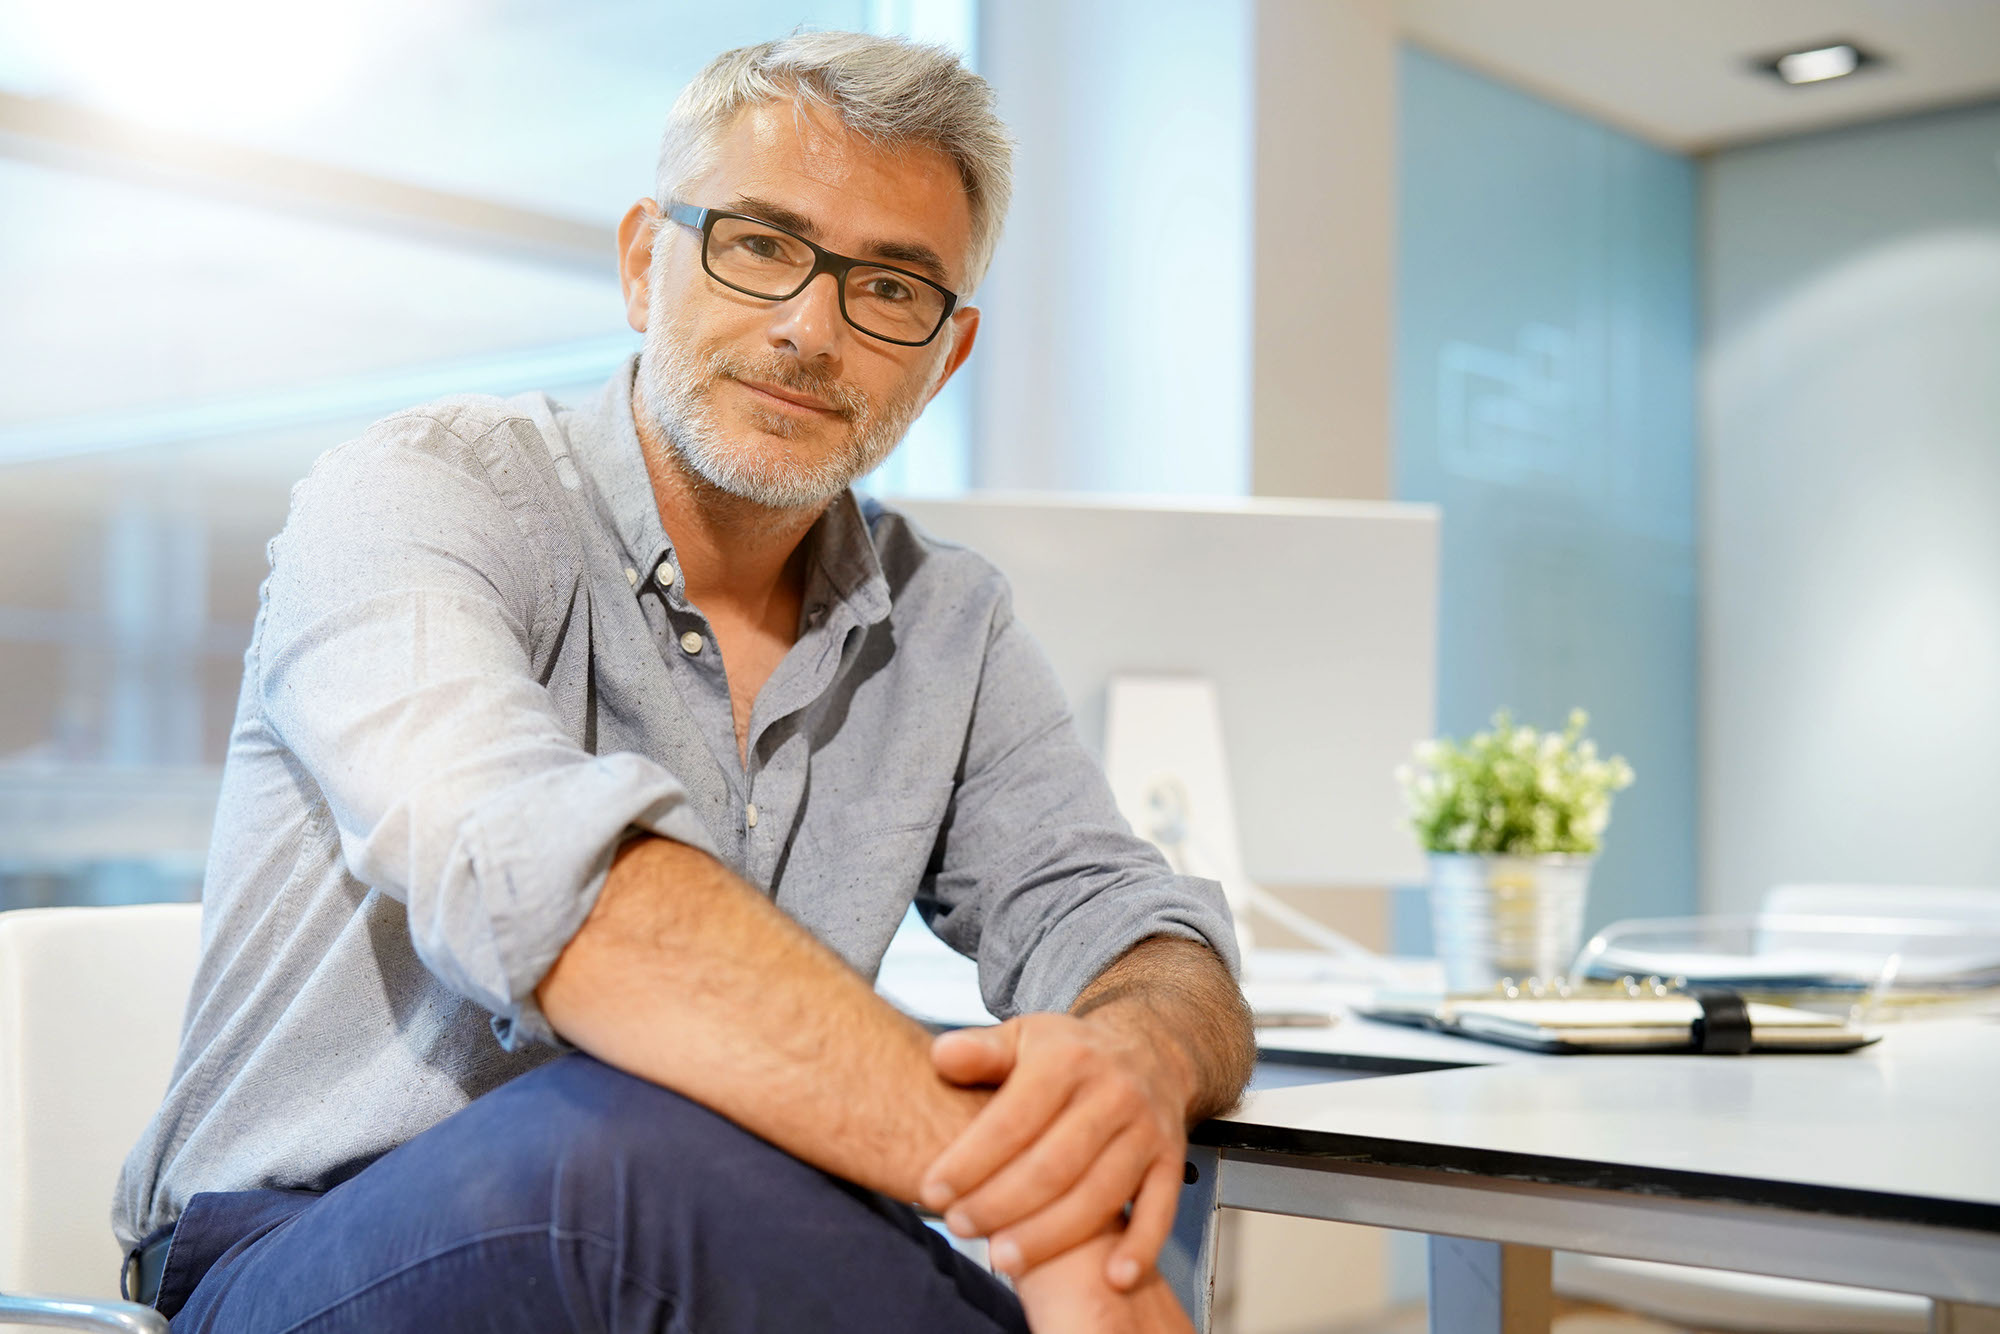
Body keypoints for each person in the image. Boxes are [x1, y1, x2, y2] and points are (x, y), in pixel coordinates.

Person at [114, 29, 1254, 1333]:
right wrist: (1042, 1197)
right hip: (306, 1254)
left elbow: (1123, 917)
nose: (809, 327)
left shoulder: (950, 621)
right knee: (616, 1140)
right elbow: (552, 889)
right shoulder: (418, 494)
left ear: (946, 352)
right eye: (761, 243)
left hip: (710, 1252)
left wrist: (1132, 1061)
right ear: (643, 263)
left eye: (890, 287)